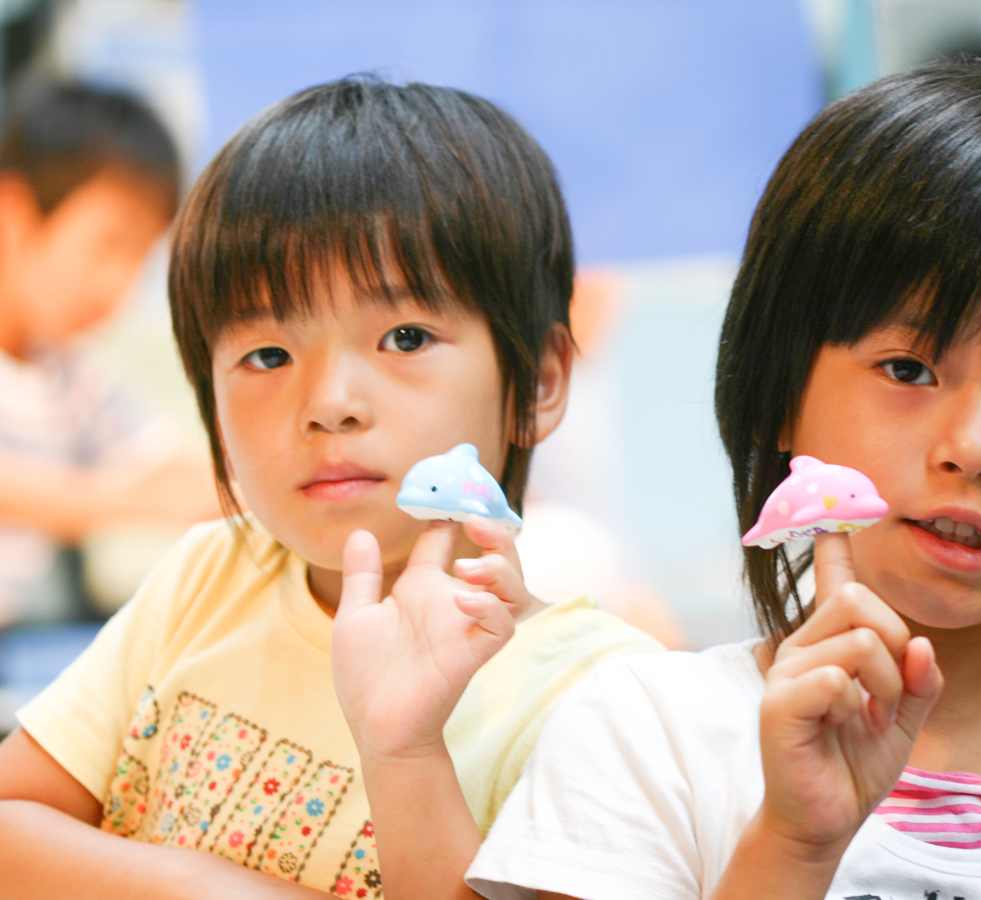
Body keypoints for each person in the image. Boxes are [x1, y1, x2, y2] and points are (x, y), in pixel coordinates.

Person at [466, 59, 981, 898]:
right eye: (909, 370)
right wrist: (793, 844)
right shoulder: (648, 736)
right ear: (781, 391)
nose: (975, 449)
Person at [0, 77, 661, 898]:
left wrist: (405, 753)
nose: (329, 405)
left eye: (404, 336)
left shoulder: (598, 697)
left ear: (539, 383)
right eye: (267, 356)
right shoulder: (206, 577)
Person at [0, 80, 221, 623]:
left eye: (141, 256)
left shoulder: (68, 375)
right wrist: (124, 502)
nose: (118, 287)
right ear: (13, 213)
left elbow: (170, 469)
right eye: (108, 244)